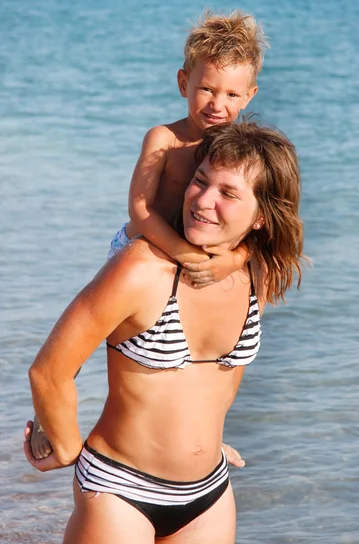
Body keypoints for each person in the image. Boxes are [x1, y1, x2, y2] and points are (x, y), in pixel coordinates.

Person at [25, 121, 305, 543]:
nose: (203, 200)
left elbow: (224, 381)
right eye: (200, 180)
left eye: (228, 193)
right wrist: (65, 446)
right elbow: (50, 372)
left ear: (263, 216)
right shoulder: (141, 268)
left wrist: (203, 435)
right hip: (120, 490)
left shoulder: (256, 273)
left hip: (209, 492)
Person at [30, 9, 267, 460]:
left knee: (223, 350)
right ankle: (49, 418)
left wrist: (229, 261)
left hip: (197, 259)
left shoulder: (235, 150)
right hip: (143, 246)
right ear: (183, 83)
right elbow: (140, 210)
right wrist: (183, 254)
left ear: (250, 95)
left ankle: (207, 433)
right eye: (206, 89)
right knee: (83, 339)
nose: (217, 104)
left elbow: (256, 219)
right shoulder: (164, 138)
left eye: (231, 93)